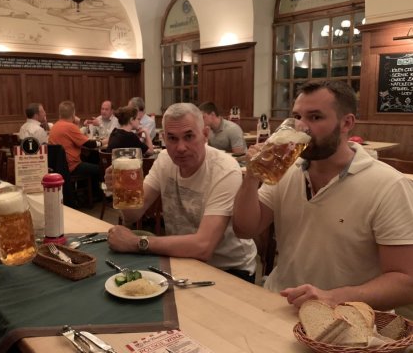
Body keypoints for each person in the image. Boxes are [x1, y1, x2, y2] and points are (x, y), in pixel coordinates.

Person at [232, 80, 413, 310]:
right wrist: (251, 176)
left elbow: (406, 282)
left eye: (315, 117)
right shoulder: (286, 170)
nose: (301, 127)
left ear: (347, 123)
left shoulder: (389, 185)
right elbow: (245, 229)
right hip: (281, 303)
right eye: (297, 117)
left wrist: (333, 297)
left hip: (345, 318)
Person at [105, 103, 257, 282]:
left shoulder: (225, 169)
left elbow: (204, 246)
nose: (180, 148)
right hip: (182, 260)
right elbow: (132, 215)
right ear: (164, 138)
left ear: (205, 135)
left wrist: (136, 243)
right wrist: (122, 191)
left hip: (229, 270)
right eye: (172, 138)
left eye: (189, 136)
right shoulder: (164, 160)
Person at [49, 101, 105, 200]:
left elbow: (77, 139)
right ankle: (96, 196)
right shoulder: (69, 127)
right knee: (100, 168)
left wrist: (76, 124)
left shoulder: (55, 126)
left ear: (60, 114)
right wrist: (104, 142)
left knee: (88, 159)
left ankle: (85, 195)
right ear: (73, 114)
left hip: (60, 167)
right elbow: (89, 144)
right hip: (72, 166)